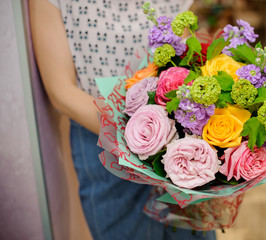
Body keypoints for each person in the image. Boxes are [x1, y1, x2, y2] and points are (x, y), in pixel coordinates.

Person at [29, 0, 217, 239]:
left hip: (180, 139)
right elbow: (61, 93)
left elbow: (188, 57)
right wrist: (146, 137)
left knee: (190, 233)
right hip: (102, 138)